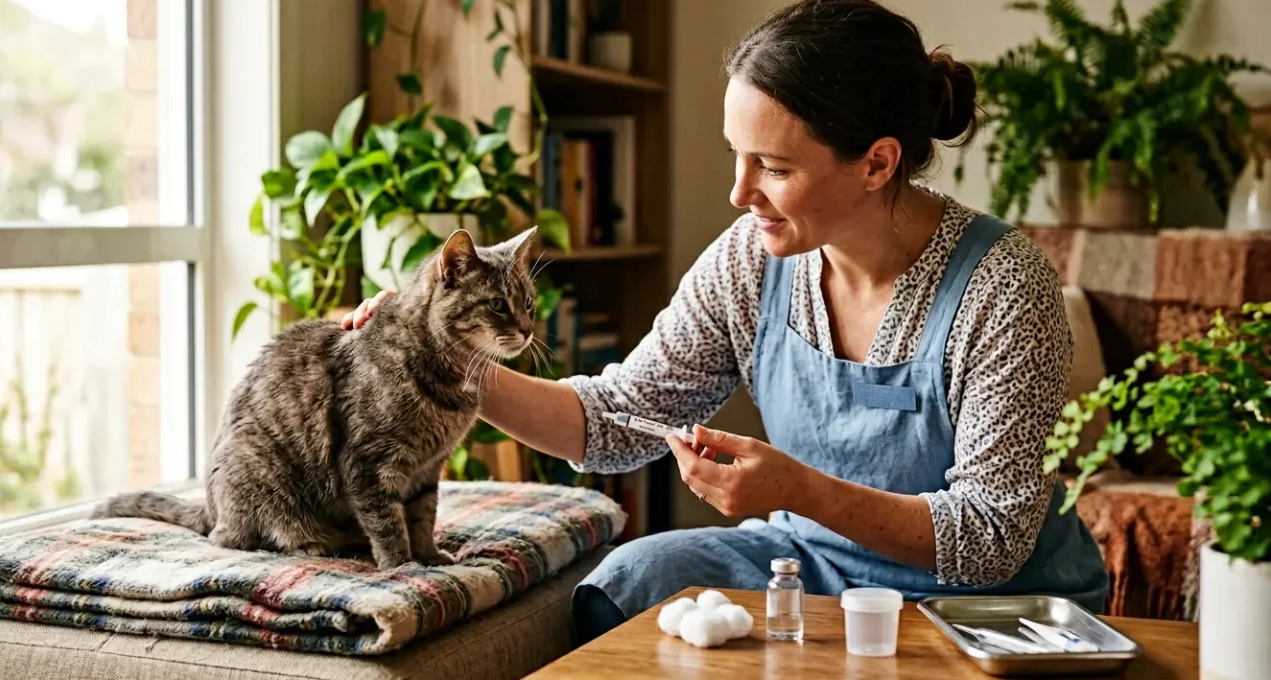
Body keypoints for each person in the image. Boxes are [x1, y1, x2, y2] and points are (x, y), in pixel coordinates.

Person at [344, 0, 1107, 644]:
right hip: (811, 564)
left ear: (877, 164)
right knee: (629, 579)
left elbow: (989, 538)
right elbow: (620, 419)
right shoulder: (751, 258)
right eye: (737, 156)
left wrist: (799, 490)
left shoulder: (1006, 287)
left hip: (986, 598)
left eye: (773, 166)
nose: (740, 193)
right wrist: (439, 360)